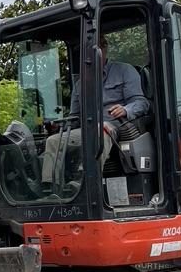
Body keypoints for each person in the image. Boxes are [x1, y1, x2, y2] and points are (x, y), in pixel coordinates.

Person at [41, 36, 149, 189]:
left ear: (103, 49)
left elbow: (142, 103)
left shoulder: (124, 71)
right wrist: (60, 126)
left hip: (116, 126)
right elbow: (75, 117)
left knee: (101, 128)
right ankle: (50, 187)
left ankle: (83, 181)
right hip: (88, 128)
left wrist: (125, 109)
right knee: (53, 141)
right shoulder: (80, 85)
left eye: (94, 51)